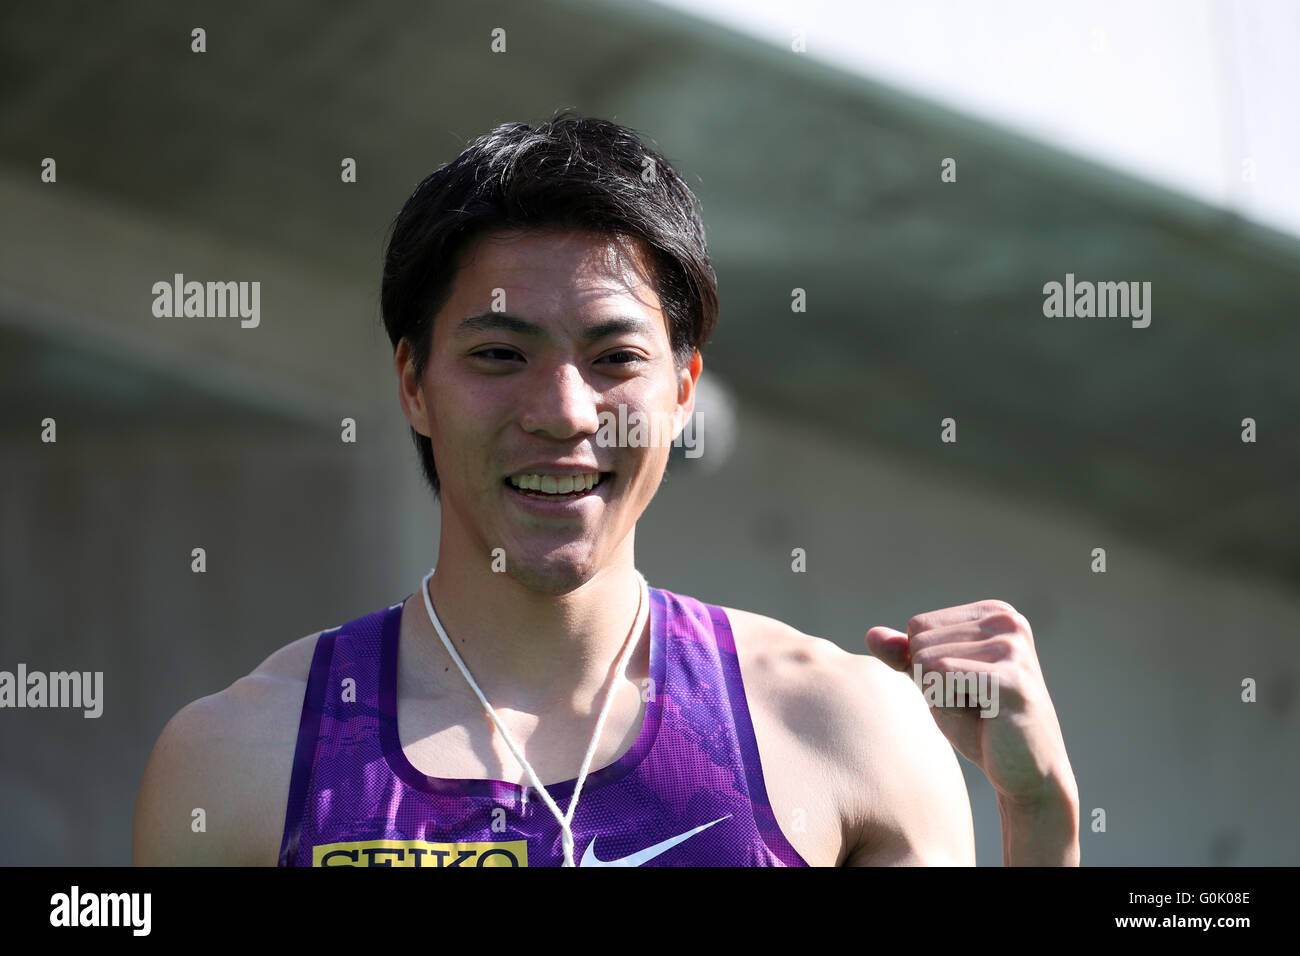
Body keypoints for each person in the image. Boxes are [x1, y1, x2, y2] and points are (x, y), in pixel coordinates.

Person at [133, 111, 1079, 867]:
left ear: (680, 390)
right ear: (414, 384)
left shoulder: (845, 730)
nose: (563, 412)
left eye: (613, 357)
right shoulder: (244, 759)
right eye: (500, 354)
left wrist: (1038, 820)